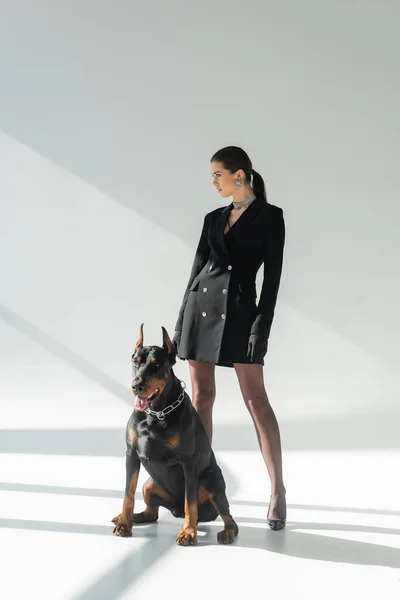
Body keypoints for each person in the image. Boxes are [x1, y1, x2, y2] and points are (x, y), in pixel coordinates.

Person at [172, 146, 286, 530]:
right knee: (201, 398)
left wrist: (261, 328)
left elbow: (271, 282)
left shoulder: (271, 218)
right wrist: (177, 327)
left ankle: (277, 491)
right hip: (199, 315)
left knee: (256, 401)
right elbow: (195, 274)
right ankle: (201, 488)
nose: (213, 182)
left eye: (217, 175)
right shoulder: (212, 218)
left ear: (239, 175)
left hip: (240, 317)